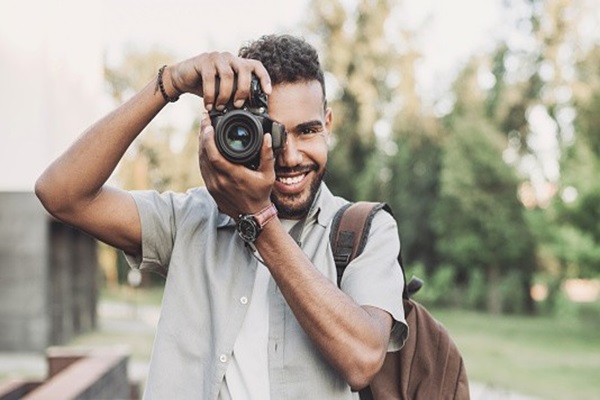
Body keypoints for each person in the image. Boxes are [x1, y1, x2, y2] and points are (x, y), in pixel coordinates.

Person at [35, 34, 408, 399]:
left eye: (307, 131)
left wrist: (258, 218)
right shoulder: (190, 220)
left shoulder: (365, 229)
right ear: (235, 132)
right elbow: (61, 194)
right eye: (273, 133)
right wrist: (168, 83)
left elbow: (362, 360)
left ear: (328, 124)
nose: (291, 156)